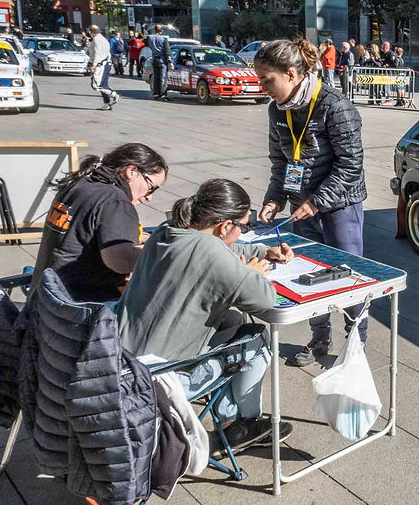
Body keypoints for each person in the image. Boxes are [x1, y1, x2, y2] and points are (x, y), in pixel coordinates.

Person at [117, 178, 293, 452]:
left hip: (122, 360)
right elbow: (264, 299)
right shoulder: (211, 253)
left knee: (232, 321)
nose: (243, 232)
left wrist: (261, 251)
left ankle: (227, 421)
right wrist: (253, 273)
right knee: (255, 341)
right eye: (243, 226)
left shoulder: (168, 230)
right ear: (225, 226)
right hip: (162, 378)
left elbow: (222, 249)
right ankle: (243, 425)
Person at [253, 38, 368, 365]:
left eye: (267, 79)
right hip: (301, 205)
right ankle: (320, 338)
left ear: (291, 74)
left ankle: (355, 347)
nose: (263, 87)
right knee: (308, 276)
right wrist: (274, 199)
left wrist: (317, 202)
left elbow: (350, 164)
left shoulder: (334, 105)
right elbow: (281, 162)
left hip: (339, 206)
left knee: (347, 277)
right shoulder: (277, 109)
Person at [32, 143, 168, 302]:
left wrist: (139, 237)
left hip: (46, 300)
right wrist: (162, 250)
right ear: (132, 172)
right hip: (80, 309)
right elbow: (121, 262)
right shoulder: (114, 201)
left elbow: (83, 233)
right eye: (152, 188)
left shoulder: (80, 184)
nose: (149, 197)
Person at [87, 25, 118, 111]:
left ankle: (114, 94)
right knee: (103, 84)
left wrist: (93, 64)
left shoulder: (97, 40)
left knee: (96, 84)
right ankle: (106, 103)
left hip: (101, 64)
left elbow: (97, 54)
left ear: (91, 32)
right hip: (106, 63)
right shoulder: (104, 39)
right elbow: (108, 53)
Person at [146, 24, 171, 101]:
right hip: (161, 60)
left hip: (154, 59)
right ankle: (162, 94)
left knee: (156, 77)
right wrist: (170, 61)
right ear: (161, 31)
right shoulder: (164, 39)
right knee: (162, 78)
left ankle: (156, 93)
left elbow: (146, 44)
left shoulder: (150, 38)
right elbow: (167, 51)